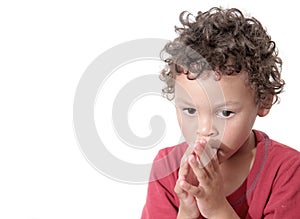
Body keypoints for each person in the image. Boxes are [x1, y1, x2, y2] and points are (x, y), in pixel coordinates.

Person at [141, 7, 300, 219]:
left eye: (225, 113)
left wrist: (217, 209)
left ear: (263, 101)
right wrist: (187, 212)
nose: (205, 130)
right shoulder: (168, 168)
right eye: (190, 110)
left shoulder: (287, 171)